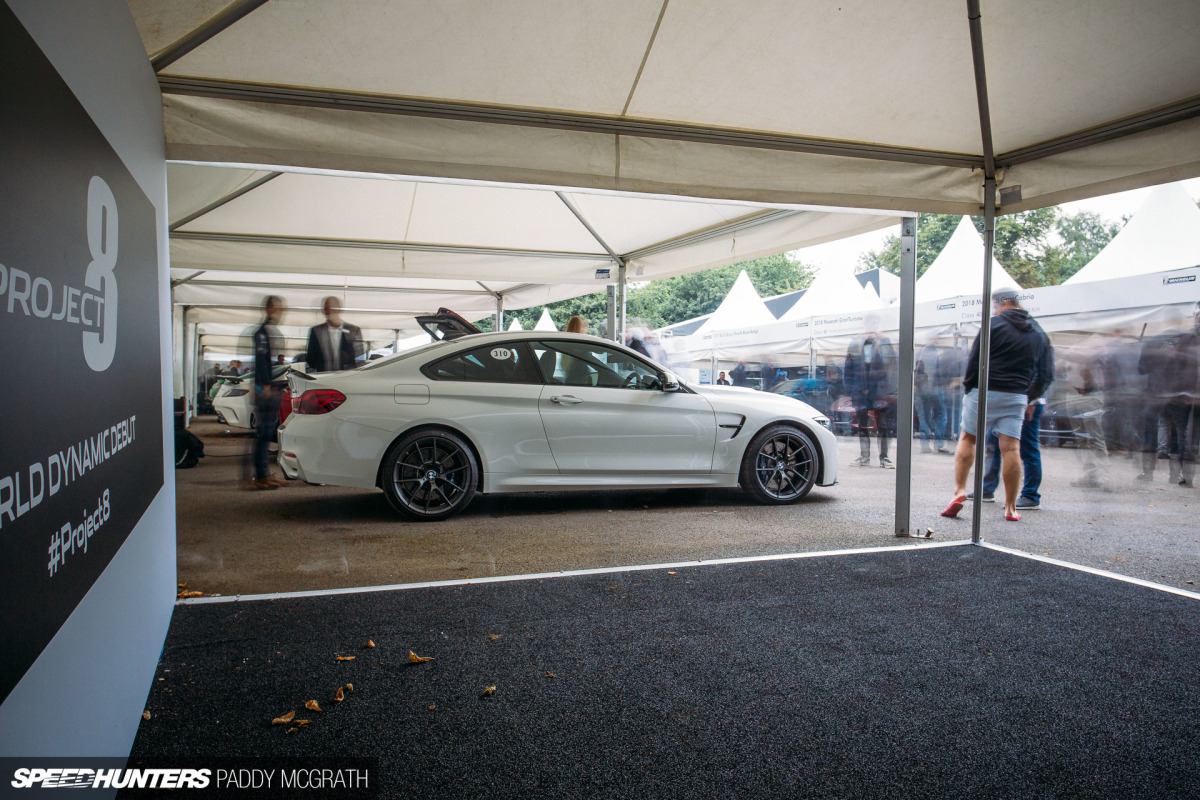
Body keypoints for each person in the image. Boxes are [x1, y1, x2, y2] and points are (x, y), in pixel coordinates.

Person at [942, 290, 1050, 522]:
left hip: (984, 391)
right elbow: (1046, 371)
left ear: (1005, 303)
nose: (994, 310)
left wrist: (969, 387)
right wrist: (1031, 396)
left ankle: (959, 490)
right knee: (1011, 448)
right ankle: (1010, 507)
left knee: (968, 437)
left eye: (995, 305)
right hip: (1016, 395)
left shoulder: (993, 324)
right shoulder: (1037, 331)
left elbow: (975, 359)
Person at [976, 313, 1054, 509]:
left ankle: (1030, 495)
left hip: (1026, 401)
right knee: (994, 444)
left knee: (1026, 447)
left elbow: (1043, 373)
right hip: (1012, 399)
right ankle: (986, 489)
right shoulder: (1021, 337)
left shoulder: (1034, 337)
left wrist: (1031, 400)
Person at [844, 315, 897, 468]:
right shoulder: (856, 343)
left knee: (884, 425)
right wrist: (852, 389)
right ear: (865, 324)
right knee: (862, 425)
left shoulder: (884, 342)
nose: (873, 325)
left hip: (879, 391)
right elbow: (848, 369)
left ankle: (884, 457)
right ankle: (864, 457)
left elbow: (892, 366)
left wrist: (888, 389)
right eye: (870, 322)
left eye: (875, 322)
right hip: (860, 392)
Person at [251, 296, 287, 490]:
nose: (280, 313)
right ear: (268, 309)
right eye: (278, 309)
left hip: (269, 388)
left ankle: (263, 473)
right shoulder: (261, 333)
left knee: (267, 432)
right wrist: (265, 387)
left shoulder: (269, 332)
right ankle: (260, 475)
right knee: (263, 433)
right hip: (263, 390)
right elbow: (261, 363)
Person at [305, 296, 363, 372]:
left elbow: (360, 358)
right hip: (322, 377)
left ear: (339, 309)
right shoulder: (316, 331)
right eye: (326, 309)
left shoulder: (353, 330)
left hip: (347, 377)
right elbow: (311, 359)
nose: (328, 312)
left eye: (332, 308)